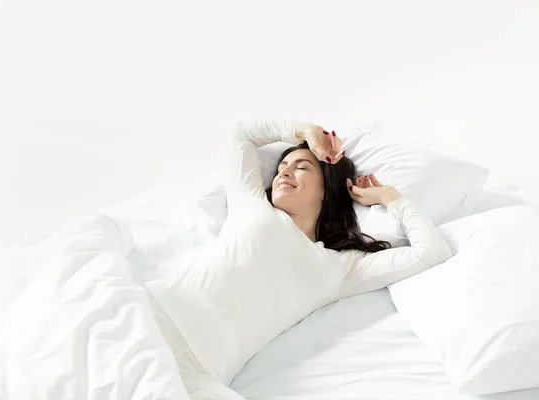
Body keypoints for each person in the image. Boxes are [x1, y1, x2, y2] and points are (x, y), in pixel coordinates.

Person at [144, 118, 452, 399]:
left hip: (197, 374)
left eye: (301, 167)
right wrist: (304, 131)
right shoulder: (252, 207)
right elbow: (243, 134)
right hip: (151, 317)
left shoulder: (343, 268)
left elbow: (430, 251)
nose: (284, 172)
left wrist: (390, 198)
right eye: (282, 166)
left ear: (326, 190)